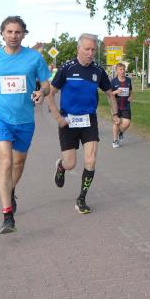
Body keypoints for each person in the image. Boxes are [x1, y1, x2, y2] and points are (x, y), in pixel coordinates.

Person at [0, 16, 50, 234]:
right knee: (5, 161)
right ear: (2, 33)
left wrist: (41, 93)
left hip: (25, 119)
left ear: (24, 34)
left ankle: (10, 190)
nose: (13, 36)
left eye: (17, 32)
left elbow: (46, 85)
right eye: (9, 32)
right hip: (0, 117)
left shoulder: (34, 58)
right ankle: (7, 216)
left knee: (18, 163)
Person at [48, 34, 120, 214]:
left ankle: (81, 198)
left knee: (91, 159)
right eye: (87, 49)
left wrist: (115, 114)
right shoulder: (67, 68)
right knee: (70, 163)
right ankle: (61, 166)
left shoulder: (98, 71)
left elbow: (110, 94)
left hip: (89, 120)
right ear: (78, 49)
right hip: (68, 121)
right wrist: (58, 118)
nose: (90, 53)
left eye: (93, 49)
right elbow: (51, 93)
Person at [110, 63, 134, 147]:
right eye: (120, 69)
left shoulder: (128, 80)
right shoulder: (113, 81)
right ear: (117, 71)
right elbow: (109, 94)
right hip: (116, 106)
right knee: (117, 122)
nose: (123, 71)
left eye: (124, 69)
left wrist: (131, 97)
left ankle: (120, 132)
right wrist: (116, 92)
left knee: (127, 123)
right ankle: (115, 141)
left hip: (126, 105)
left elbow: (131, 91)